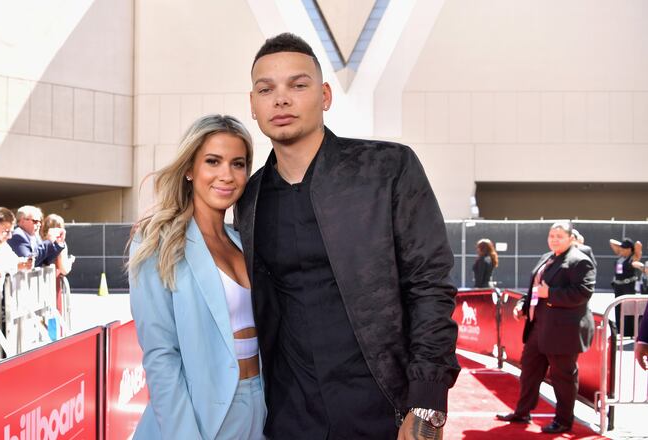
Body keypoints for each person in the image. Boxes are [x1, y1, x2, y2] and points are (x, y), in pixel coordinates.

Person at [236, 33, 459, 439]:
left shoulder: (387, 168)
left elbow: (430, 285)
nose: (281, 100)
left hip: (382, 411)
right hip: (288, 417)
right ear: (253, 105)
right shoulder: (249, 198)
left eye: (297, 85)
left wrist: (427, 403)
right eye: (266, 90)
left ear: (324, 96)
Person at [127, 115, 264, 439]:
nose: (226, 175)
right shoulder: (158, 243)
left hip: (262, 407)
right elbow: (161, 355)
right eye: (213, 161)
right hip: (202, 414)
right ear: (190, 168)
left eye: (238, 164)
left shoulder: (245, 242)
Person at [497, 221, 596, 434]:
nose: (554, 240)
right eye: (551, 236)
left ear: (571, 238)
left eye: (560, 236)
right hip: (538, 327)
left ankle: (563, 421)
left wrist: (550, 294)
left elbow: (583, 293)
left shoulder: (580, 261)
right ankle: (522, 412)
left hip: (563, 331)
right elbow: (535, 288)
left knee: (563, 378)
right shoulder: (547, 257)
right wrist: (523, 305)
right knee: (529, 371)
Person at [609, 237, 642, 337]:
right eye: (621, 248)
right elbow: (611, 241)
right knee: (618, 308)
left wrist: (632, 248)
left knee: (628, 308)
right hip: (618, 286)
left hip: (628, 286)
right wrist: (621, 246)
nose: (621, 250)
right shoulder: (620, 256)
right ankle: (620, 330)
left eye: (624, 248)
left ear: (629, 249)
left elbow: (638, 244)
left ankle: (629, 332)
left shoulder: (632, 258)